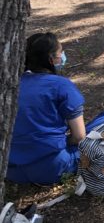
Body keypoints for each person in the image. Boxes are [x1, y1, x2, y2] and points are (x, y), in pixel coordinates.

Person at [7, 33, 86, 184]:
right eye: (60, 52)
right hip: (53, 167)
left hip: (12, 170)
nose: (62, 56)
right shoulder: (61, 86)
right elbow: (79, 136)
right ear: (51, 59)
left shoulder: (11, 85)